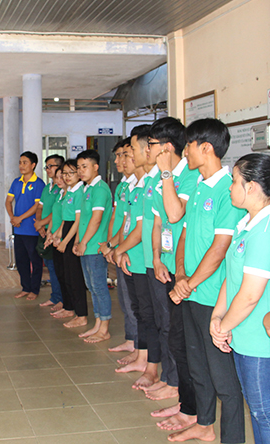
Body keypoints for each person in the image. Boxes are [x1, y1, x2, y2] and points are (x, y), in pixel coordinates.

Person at [169, 118, 245, 443]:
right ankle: (204, 424)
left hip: (214, 298)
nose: (185, 151)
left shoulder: (228, 191)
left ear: (206, 148)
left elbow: (220, 247)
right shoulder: (199, 185)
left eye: (188, 145)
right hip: (192, 292)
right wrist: (181, 275)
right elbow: (185, 234)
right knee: (197, 365)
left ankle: (233, 438)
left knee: (223, 378)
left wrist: (190, 282)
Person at [210, 154, 270, 444]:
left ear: (252, 187)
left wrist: (223, 327)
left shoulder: (268, 231)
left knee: (265, 413)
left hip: (261, 338)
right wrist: (217, 316)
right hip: (244, 332)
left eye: (234, 181)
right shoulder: (248, 224)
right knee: (257, 411)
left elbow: (250, 295)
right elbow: (231, 278)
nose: (230, 188)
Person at [148, 118, 200, 429]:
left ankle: (191, 408)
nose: (149, 150)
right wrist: (156, 258)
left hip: (188, 274)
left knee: (184, 343)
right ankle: (185, 402)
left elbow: (174, 213)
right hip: (168, 267)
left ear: (167, 147)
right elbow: (158, 222)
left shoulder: (189, 176)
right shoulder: (161, 177)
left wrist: (167, 173)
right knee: (174, 337)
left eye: (152, 145)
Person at [108, 126, 161, 391]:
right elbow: (126, 223)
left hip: (147, 259)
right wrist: (117, 247)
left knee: (150, 316)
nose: (124, 159)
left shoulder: (155, 182)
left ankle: (152, 364)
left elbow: (142, 228)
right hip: (134, 256)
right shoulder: (135, 186)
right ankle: (142, 355)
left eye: (128, 153)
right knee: (140, 311)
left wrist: (118, 249)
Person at [103, 138, 139, 365]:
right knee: (125, 300)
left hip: (132, 251)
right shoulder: (123, 186)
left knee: (135, 303)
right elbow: (117, 218)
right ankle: (131, 339)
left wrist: (117, 247)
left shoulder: (140, 185)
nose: (119, 161)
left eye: (124, 155)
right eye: (118, 156)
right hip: (120, 248)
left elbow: (133, 223)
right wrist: (111, 244)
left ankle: (139, 345)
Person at [74, 149, 113, 342]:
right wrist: (78, 241)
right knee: (91, 286)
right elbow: (82, 219)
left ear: (96, 167)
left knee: (99, 287)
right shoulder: (87, 189)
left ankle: (104, 328)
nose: (80, 171)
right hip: (86, 246)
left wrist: (83, 242)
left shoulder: (100, 189)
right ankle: (98, 323)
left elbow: (96, 219)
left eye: (85, 167)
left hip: (95, 247)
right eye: (78, 167)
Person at [51, 159, 87, 328]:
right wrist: (57, 235)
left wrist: (66, 241)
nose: (66, 177)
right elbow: (65, 219)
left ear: (78, 174)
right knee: (67, 276)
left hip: (73, 235)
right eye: (64, 173)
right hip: (66, 232)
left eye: (70, 173)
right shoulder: (70, 192)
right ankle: (70, 308)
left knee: (75, 277)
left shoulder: (79, 192)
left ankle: (81, 314)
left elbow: (77, 221)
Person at [5, 151, 45, 301]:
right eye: (20, 163)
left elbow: (37, 206)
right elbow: (8, 201)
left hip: (32, 229)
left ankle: (35, 289)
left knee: (35, 261)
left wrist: (20, 218)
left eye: (25, 162)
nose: (21, 166)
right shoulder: (16, 182)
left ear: (33, 165)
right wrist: (12, 218)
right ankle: (25, 287)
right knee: (21, 260)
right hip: (18, 228)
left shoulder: (39, 184)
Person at [35, 154, 65, 309]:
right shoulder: (48, 188)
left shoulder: (63, 188)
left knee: (56, 268)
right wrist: (40, 225)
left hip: (56, 232)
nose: (47, 169)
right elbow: (40, 207)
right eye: (46, 167)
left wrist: (42, 224)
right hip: (45, 231)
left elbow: (57, 212)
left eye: (51, 166)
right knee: (50, 265)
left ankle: (60, 298)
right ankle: (55, 297)